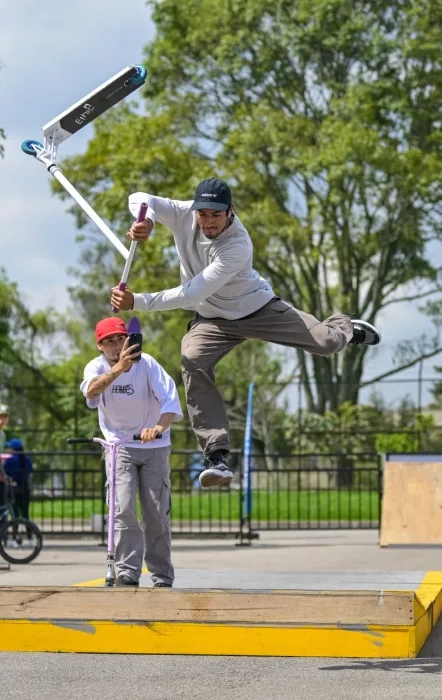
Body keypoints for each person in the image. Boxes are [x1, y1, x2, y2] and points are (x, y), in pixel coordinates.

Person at [109, 178, 381, 487]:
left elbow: (191, 294)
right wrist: (146, 222)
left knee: (325, 342)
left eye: (216, 215)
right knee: (192, 357)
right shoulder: (184, 213)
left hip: (258, 309)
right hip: (212, 321)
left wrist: (138, 302)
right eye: (203, 214)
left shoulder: (237, 245)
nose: (208, 222)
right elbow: (140, 196)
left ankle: (346, 326)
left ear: (230, 212)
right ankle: (216, 454)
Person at [81, 317, 183, 587]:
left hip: (154, 445)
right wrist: (118, 370)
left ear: (129, 339)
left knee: (156, 513)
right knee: (122, 509)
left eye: (120, 338)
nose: (117, 345)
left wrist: (158, 428)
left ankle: (161, 574)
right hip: (120, 446)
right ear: (100, 346)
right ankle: (128, 570)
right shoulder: (97, 367)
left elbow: (171, 401)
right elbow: (91, 394)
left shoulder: (147, 364)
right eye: (110, 341)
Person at [2, 438, 34, 523]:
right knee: (25, 513)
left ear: (13, 449)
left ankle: (15, 533)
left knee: (15, 514)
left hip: (14, 488)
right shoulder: (27, 459)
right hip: (25, 487)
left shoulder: (10, 460)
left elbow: (6, 474)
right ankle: (29, 533)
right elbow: (30, 474)